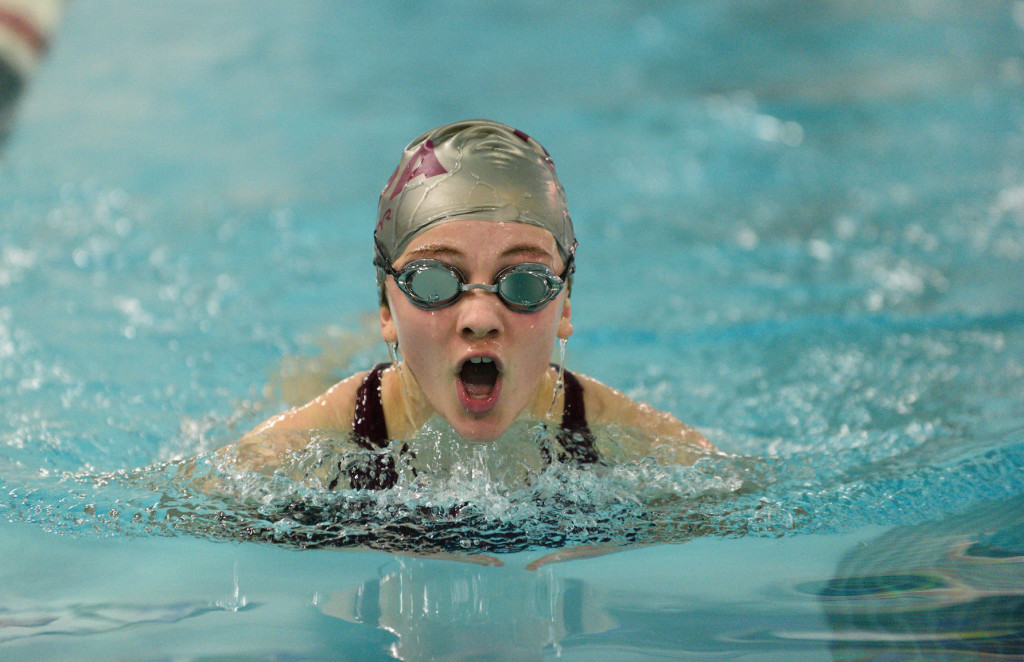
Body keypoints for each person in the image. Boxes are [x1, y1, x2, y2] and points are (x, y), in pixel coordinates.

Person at [232, 119, 713, 490]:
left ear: (564, 307)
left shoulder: (618, 434)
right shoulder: (312, 440)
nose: (480, 319)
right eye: (433, 282)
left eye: (524, 284)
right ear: (386, 310)